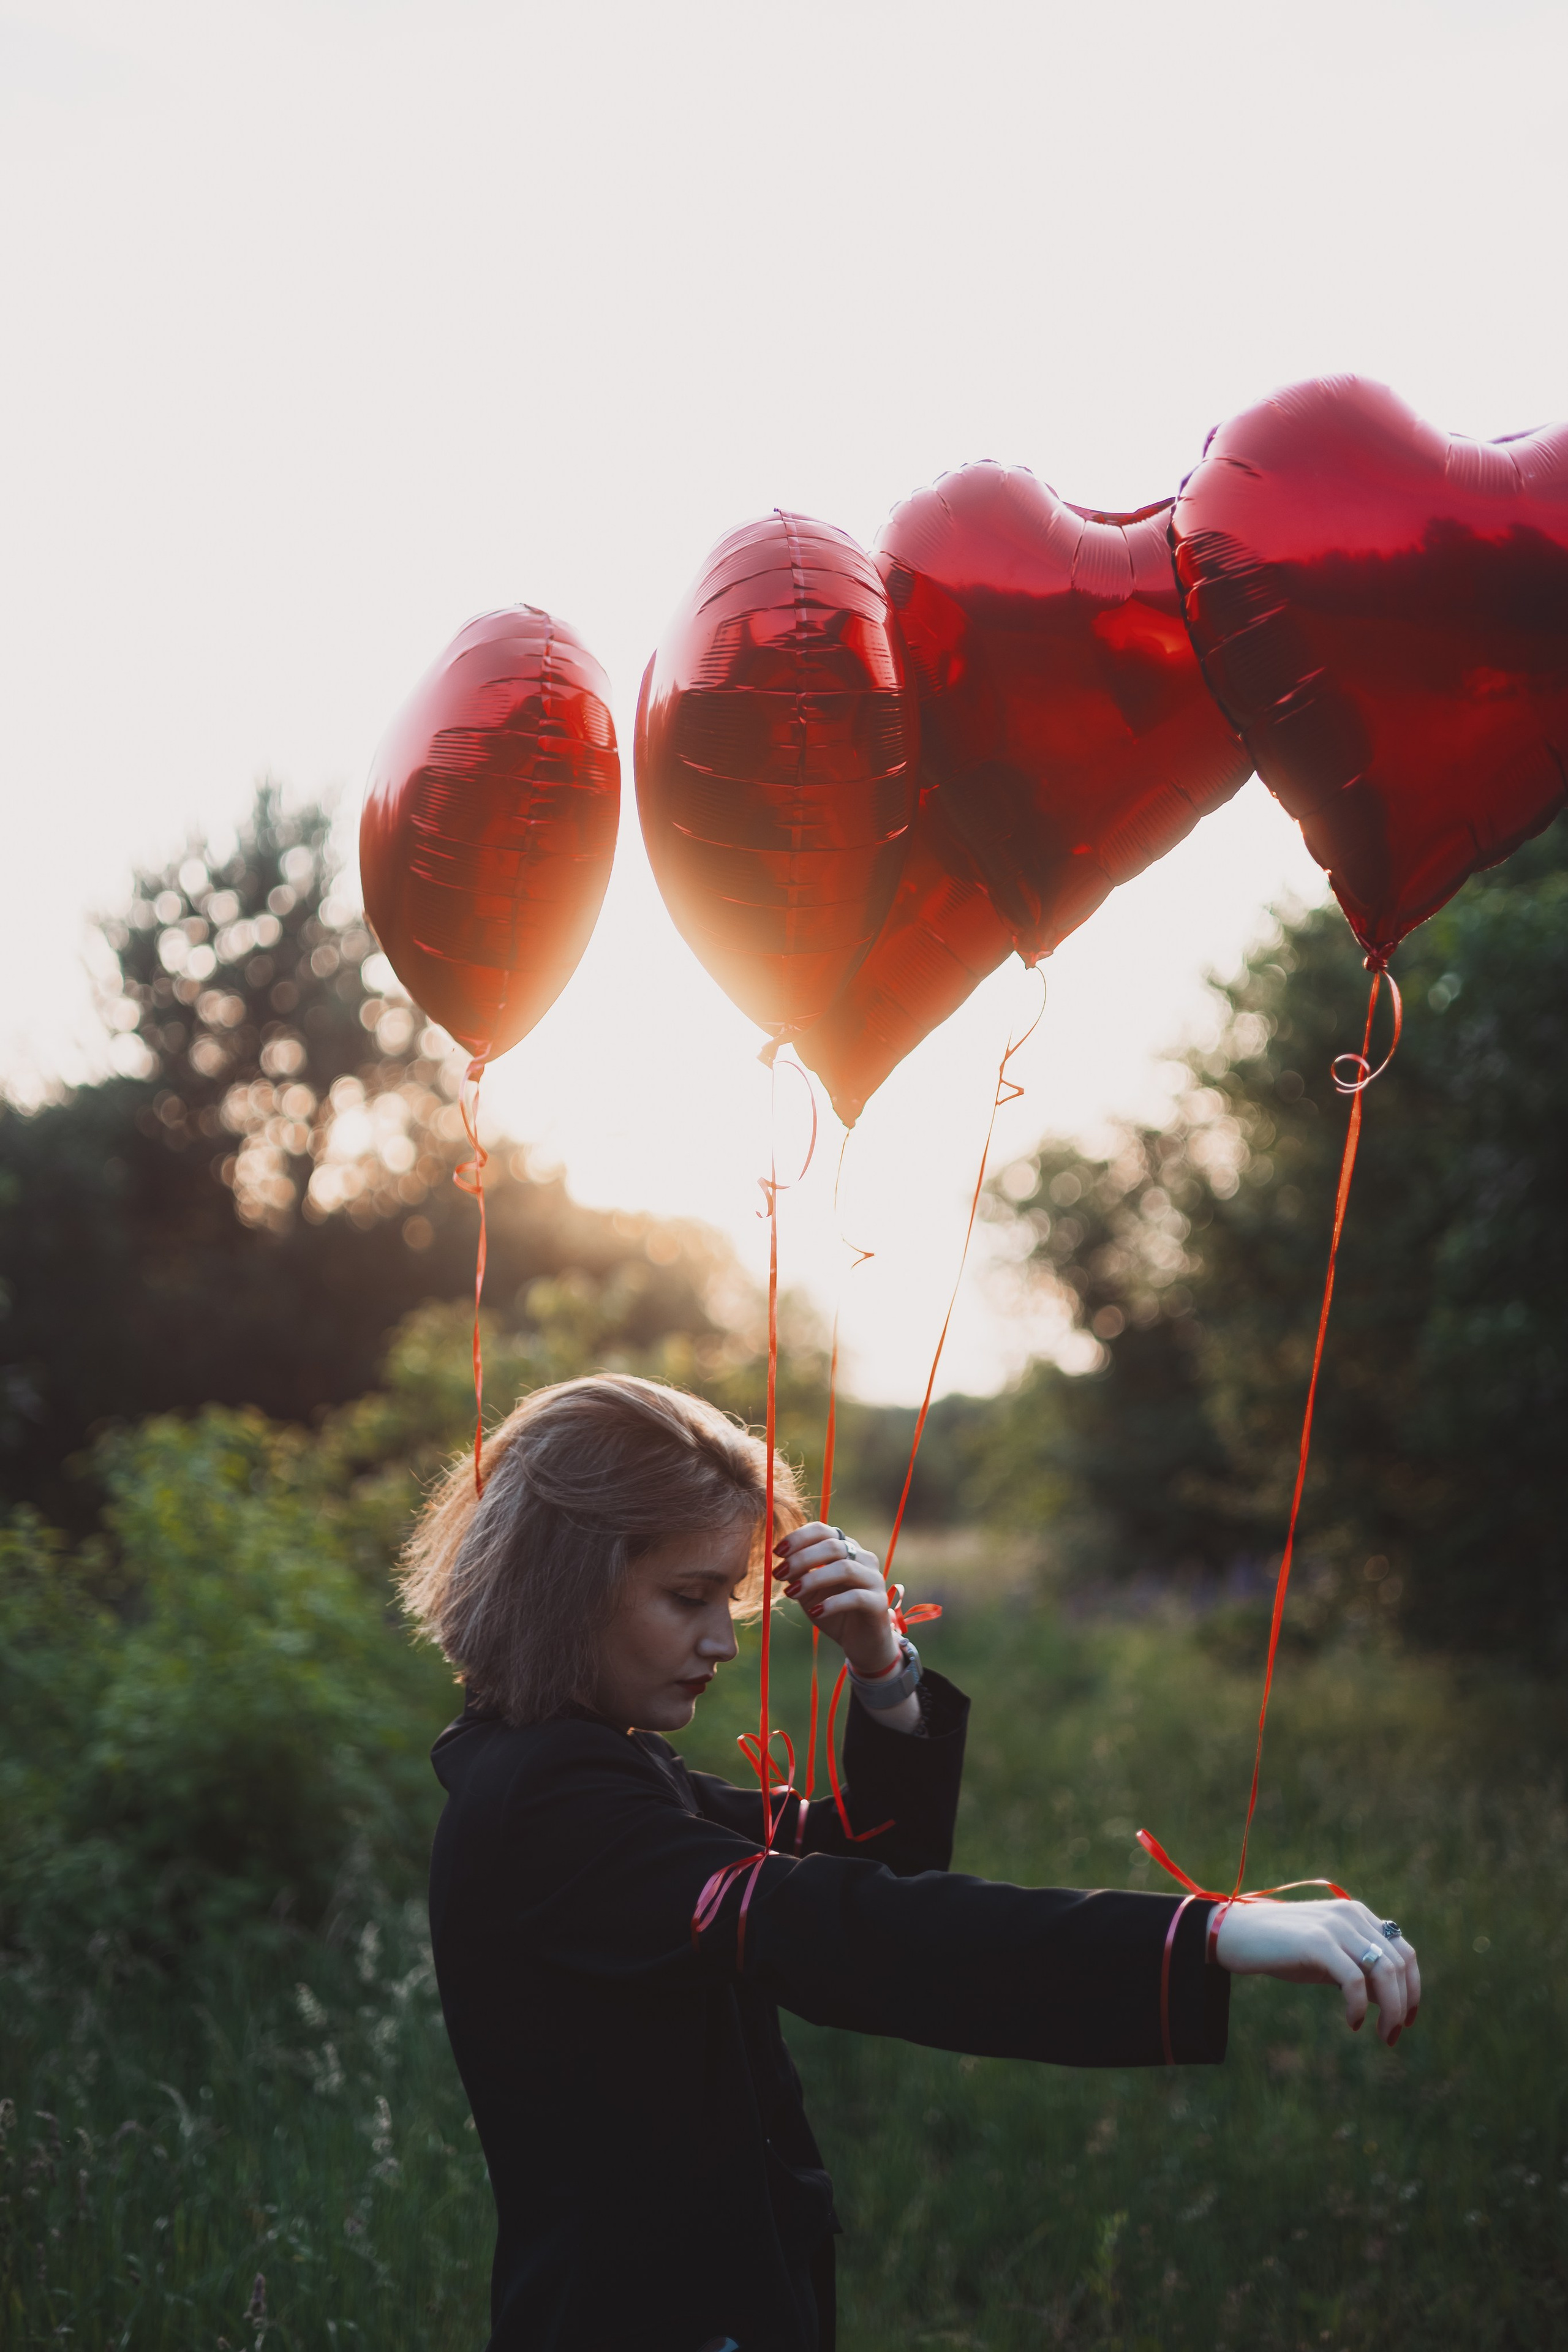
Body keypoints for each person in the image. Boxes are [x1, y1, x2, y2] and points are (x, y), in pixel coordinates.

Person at [401, 1374, 1419, 2352]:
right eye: (687, 1596)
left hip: (721, 2295)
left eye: (729, 1597)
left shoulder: (596, 1772)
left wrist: (883, 1671)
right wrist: (1209, 1932)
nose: (722, 1640)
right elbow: (854, 1929)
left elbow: (862, 1859)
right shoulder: (548, 1805)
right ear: (565, 1588)